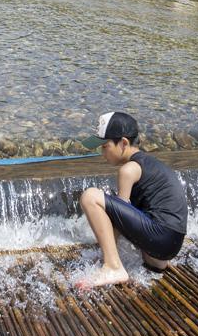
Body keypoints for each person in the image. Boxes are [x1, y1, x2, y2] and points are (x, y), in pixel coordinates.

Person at [77, 112, 187, 288]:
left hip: (160, 235)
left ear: (123, 143)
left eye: (105, 146)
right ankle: (154, 263)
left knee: (90, 196)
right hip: (171, 245)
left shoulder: (128, 170)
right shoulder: (151, 164)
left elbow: (118, 223)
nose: (102, 153)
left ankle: (113, 267)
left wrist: (103, 255)